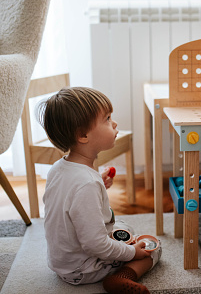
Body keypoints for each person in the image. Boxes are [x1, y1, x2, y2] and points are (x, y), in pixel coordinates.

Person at [38, 87, 160, 294]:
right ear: (83, 135)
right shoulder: (86, 184)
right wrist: (131, 252)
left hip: (62, 262)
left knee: (123, 226)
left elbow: (70, 204)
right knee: (152, 249)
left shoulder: (58, 168)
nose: (115, 123)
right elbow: (95, 245)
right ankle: (122, 277)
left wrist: (99, 186)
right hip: (84, 268)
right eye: (107, 119)